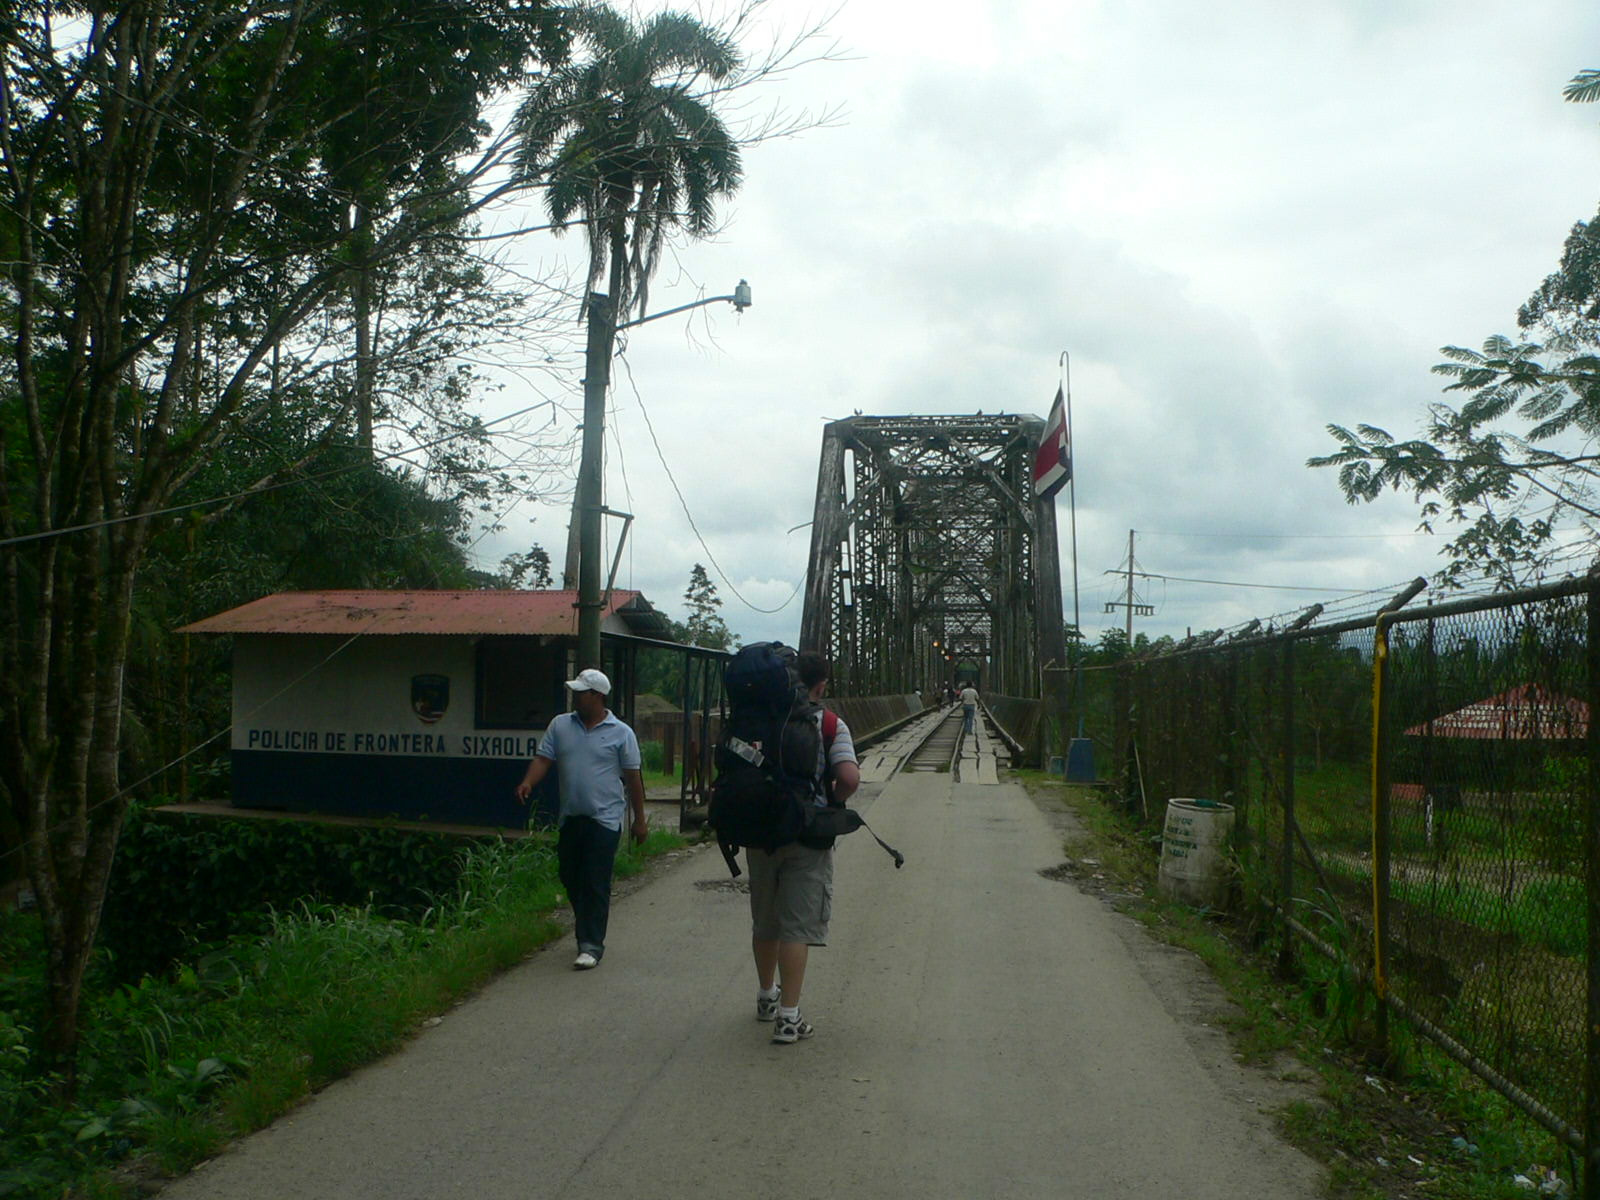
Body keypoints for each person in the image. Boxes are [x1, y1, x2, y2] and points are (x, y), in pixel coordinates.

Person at [748, 651, 860, 1044]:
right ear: (821, 685)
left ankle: (766, 997)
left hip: (760, 831)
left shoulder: (758, 719)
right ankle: (789, 1017)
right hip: (807, 834)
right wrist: (832, 798)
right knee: (796, 926)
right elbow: (848, 777)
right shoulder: (829, 723)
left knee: (765, 920)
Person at [515, 668, 648, 970]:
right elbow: (543, 758)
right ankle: (586, 922)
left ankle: (590, 943)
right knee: (570, 876)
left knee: (595, 881)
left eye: (581, 692)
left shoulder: (621, 733)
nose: (576, 697)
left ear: (597, 696)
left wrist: (640, 820)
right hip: (571, 817)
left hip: (605, 819)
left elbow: (633, 778)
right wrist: (528, 782)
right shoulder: (561, 725)